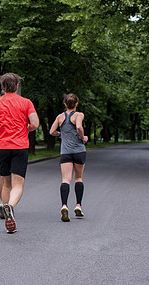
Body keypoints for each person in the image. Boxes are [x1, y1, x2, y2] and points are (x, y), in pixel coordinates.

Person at [0, 73, 39, 233]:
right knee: (18, 184)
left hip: (1, 146)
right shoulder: (26, 102)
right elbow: (35, 123)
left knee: (6, 183)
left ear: (2, 86)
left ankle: (8, 213)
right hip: (20, 145)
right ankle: (10, 207)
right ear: (17, 85)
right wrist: (26, 128)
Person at [49, 93, 88, 222]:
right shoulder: (79, 115)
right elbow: (78, 127)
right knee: (78, 178)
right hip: (79, 151)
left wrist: (61, 133)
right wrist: (83, 137)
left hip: (65, 152)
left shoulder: (60, 117)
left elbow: (51, 132)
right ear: (76, 104)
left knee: (66, 179)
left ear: (65, 104)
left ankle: (64, 205)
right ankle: (78, 205)